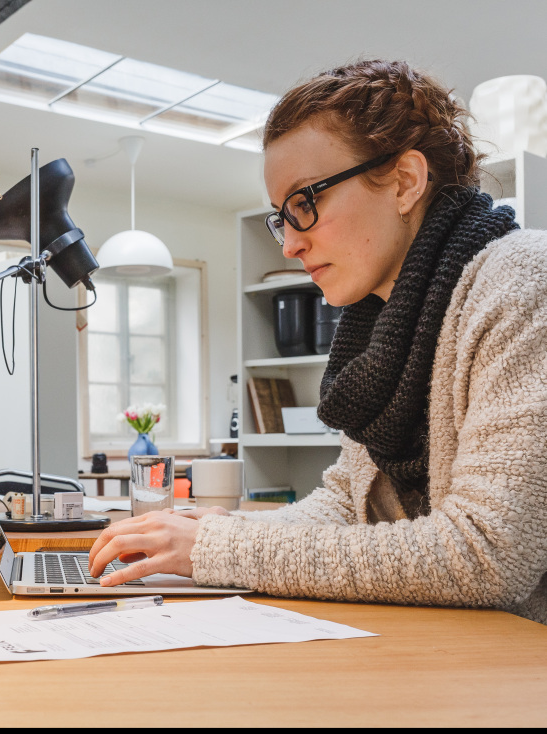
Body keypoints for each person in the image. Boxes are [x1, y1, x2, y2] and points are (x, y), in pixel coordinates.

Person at [89, 60, 547, 624]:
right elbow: (345, 506)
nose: (290, 246)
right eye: (283, 219)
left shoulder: (522, 280)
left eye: (306, 203)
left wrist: (217, 550)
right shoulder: (384, 323)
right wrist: (211, 529)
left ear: (405, 181)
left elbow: (489, 554)